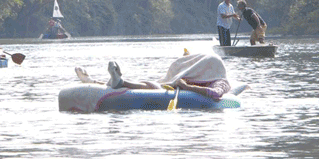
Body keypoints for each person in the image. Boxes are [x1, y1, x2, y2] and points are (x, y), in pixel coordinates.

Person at [75, 52, 234, 101]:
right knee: (151, 83)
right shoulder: (201, 73)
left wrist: (186, 87)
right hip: (173, 86)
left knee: (153, 86)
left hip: (177, 90)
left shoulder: (222, 82)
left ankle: (119, 81)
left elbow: (214, 94)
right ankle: (99, 81)